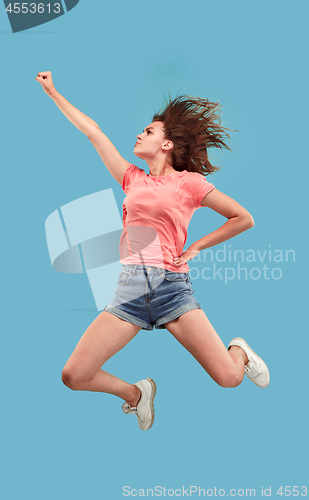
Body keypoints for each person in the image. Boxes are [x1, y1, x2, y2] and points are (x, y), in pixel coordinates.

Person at [36, 71, 270, 431]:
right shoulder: (133, 178)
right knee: (74, 374)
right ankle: (135, 394)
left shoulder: (190, 183)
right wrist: (53, 92)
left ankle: (238, 350)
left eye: (148, 131)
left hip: (171, 289)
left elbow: (243, 218)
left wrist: (195, 247)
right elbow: (93, 131)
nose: (139, 134)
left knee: (229, 377)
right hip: (129, 291)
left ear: (166, 145)